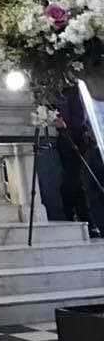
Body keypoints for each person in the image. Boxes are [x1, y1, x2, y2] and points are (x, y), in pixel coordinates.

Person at [56, 99, 101, 238]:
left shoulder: (74, 90)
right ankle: (85, 220)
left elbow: (81, 116)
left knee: (73, 182)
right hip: (65, 138)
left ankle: (75, 216)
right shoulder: (57, 91)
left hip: (79, 139)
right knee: (75, 181)